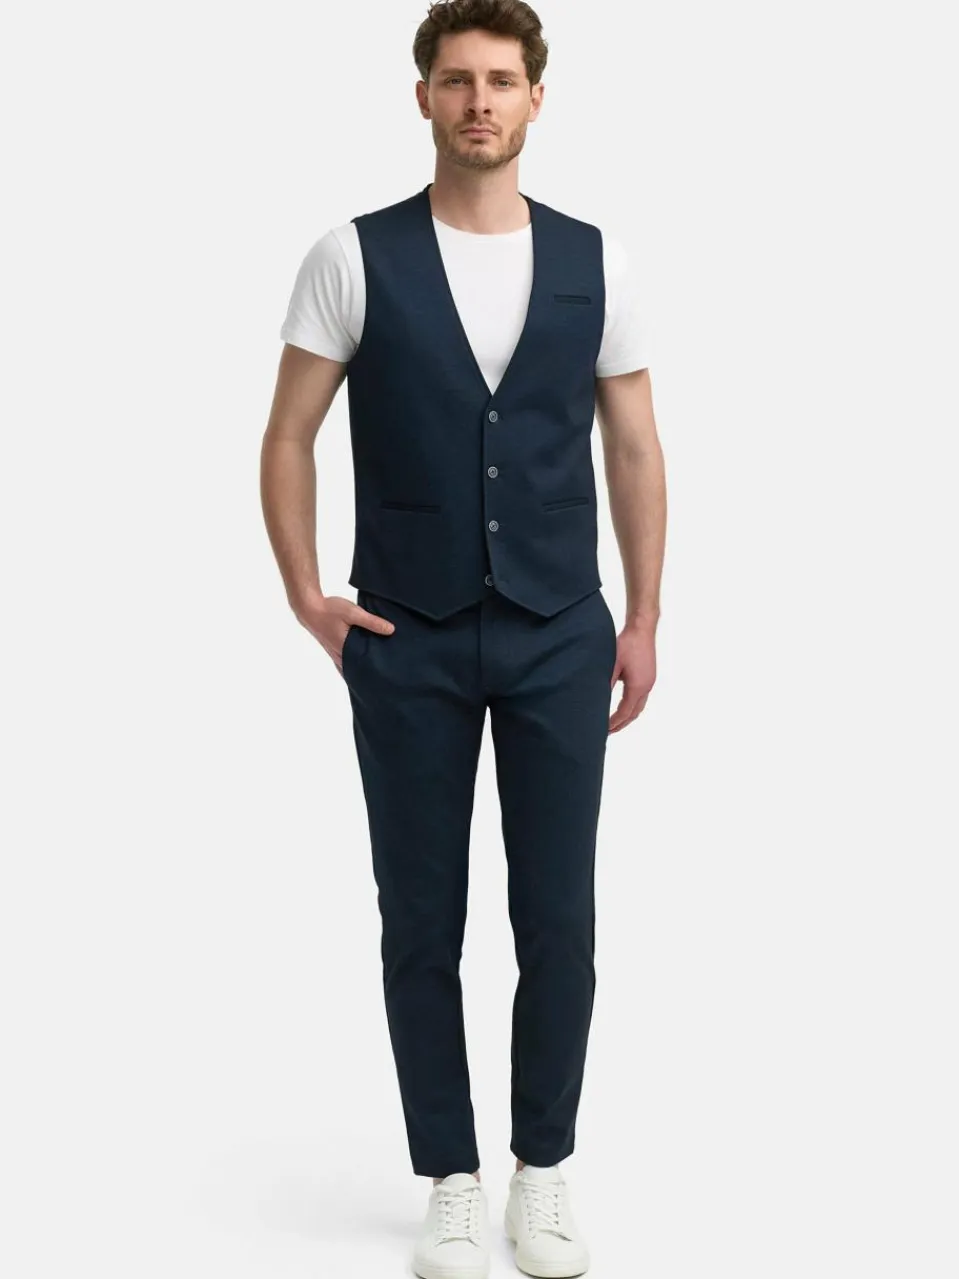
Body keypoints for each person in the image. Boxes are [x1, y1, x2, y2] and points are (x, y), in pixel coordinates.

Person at [260, 1, 666, 1274]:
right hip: (406, 634)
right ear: (422, 98)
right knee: (419, 916)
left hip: (559, 629)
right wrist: (306, 592)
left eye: (499, 80)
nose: (477, 101)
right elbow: (287, 433)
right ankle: (448, 1171)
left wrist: (643, 615)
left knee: (558, 917)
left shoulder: (595, 260)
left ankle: (540, 1168)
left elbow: (634, 445)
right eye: (455, 81)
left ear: (536, 97)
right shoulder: (351, 255)